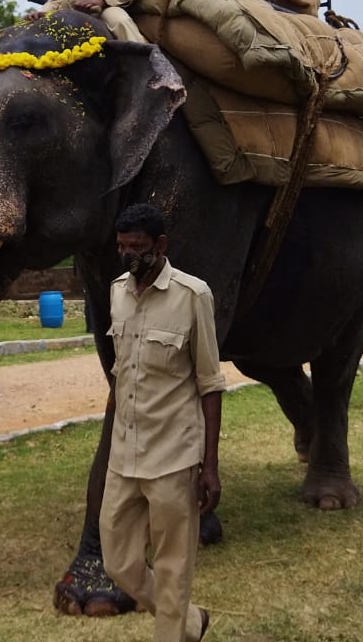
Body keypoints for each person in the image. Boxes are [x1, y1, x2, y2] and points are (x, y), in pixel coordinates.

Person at [100, 202, 225, 642]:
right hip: (124, 453)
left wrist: (209, 466)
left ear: (161, 245)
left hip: (174, 453)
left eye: (137, 247)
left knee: (173, 568)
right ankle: (190, 622)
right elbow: (121, 375)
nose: (128, 255)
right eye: (121, 246)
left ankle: (173, 630)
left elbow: (210, 384)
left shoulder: (193, 296)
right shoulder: (116, 291)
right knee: (118, 561)